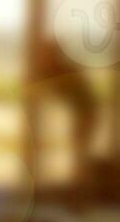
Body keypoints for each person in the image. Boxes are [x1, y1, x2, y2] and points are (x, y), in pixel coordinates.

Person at [31, 36, 99, 180]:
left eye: (46, 53)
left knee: (79, 147)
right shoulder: (59, 69)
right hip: (85, 109)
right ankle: (80, 178)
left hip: (87, 110)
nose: (43, 56)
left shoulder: (61, 69)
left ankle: (81, 179)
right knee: (79, 146)